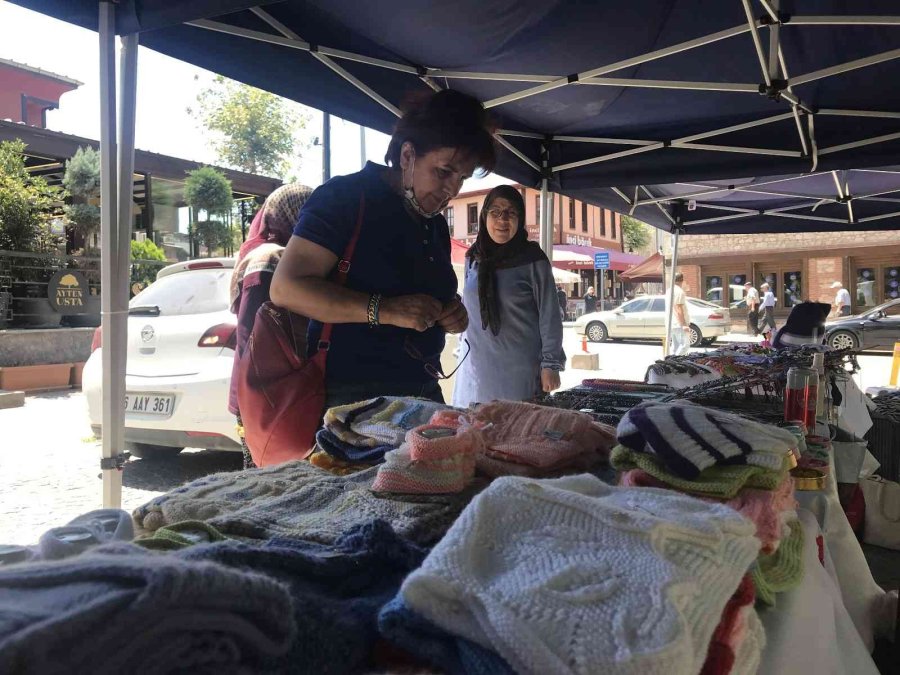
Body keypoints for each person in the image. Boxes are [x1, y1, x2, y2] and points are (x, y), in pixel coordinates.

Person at [271, 89, 494, 409]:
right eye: (444, 172)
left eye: (462, 178)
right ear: (407, 156)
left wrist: (451, 312)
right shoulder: (345, 198)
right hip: (353, 398)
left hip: (424, 388)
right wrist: (385, 309)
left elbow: (426, 294)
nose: (452, 190)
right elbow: (286, 288)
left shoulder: (434, 223)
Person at [452, 185, 565, 407]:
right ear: (484, 216)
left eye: (511, 213)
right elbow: (469, 310)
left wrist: (550, 365)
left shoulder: (533, 259)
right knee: (475, 433)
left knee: (517, 434)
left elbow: (550, 316)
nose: (502, 220)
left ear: (520, 218)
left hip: (520, 372)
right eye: (495, 212)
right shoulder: (473, 258)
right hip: (475, 367)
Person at [229, 184, 313, 468]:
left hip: (273, 389)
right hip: (268, 392)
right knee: (270, 481)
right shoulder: (270, 257)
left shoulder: (286, 257)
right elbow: (252, 336)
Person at [666, 272, 691, 355]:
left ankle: (669, 364)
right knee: (684, 345)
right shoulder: (679, 292)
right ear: (682, 280)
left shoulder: (669, 290)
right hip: (678, 324)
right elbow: (678, 308)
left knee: (675, 346)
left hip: (672, 323)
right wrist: (683, 324)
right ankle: (674, 362)